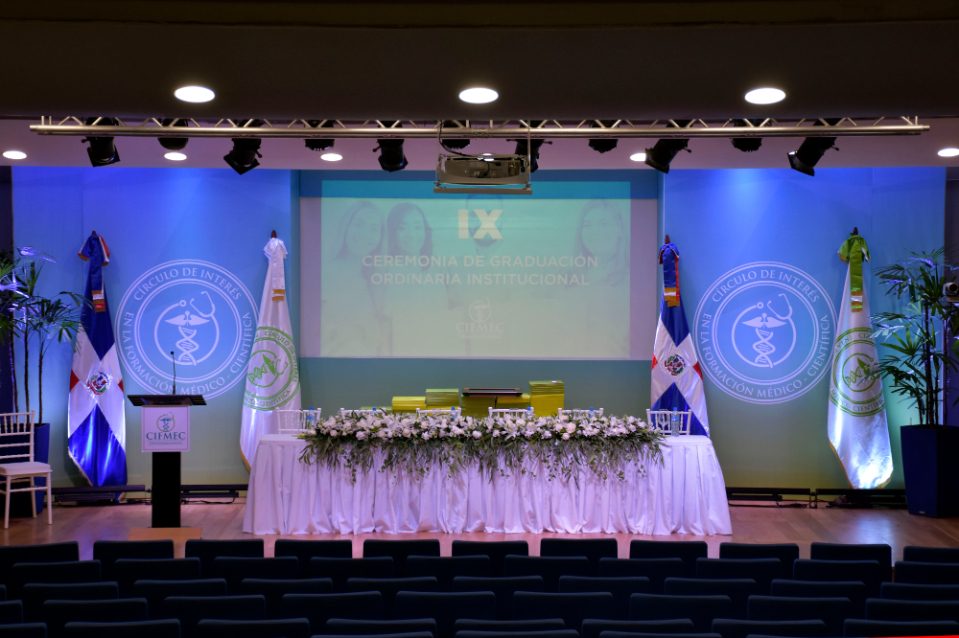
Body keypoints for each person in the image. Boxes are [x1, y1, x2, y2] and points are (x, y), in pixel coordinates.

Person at [321, 200, 390, 356]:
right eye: (359, 224)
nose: (365, 234)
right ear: (346, 227)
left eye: (374, 229)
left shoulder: (379, 279)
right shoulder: (326, 274)